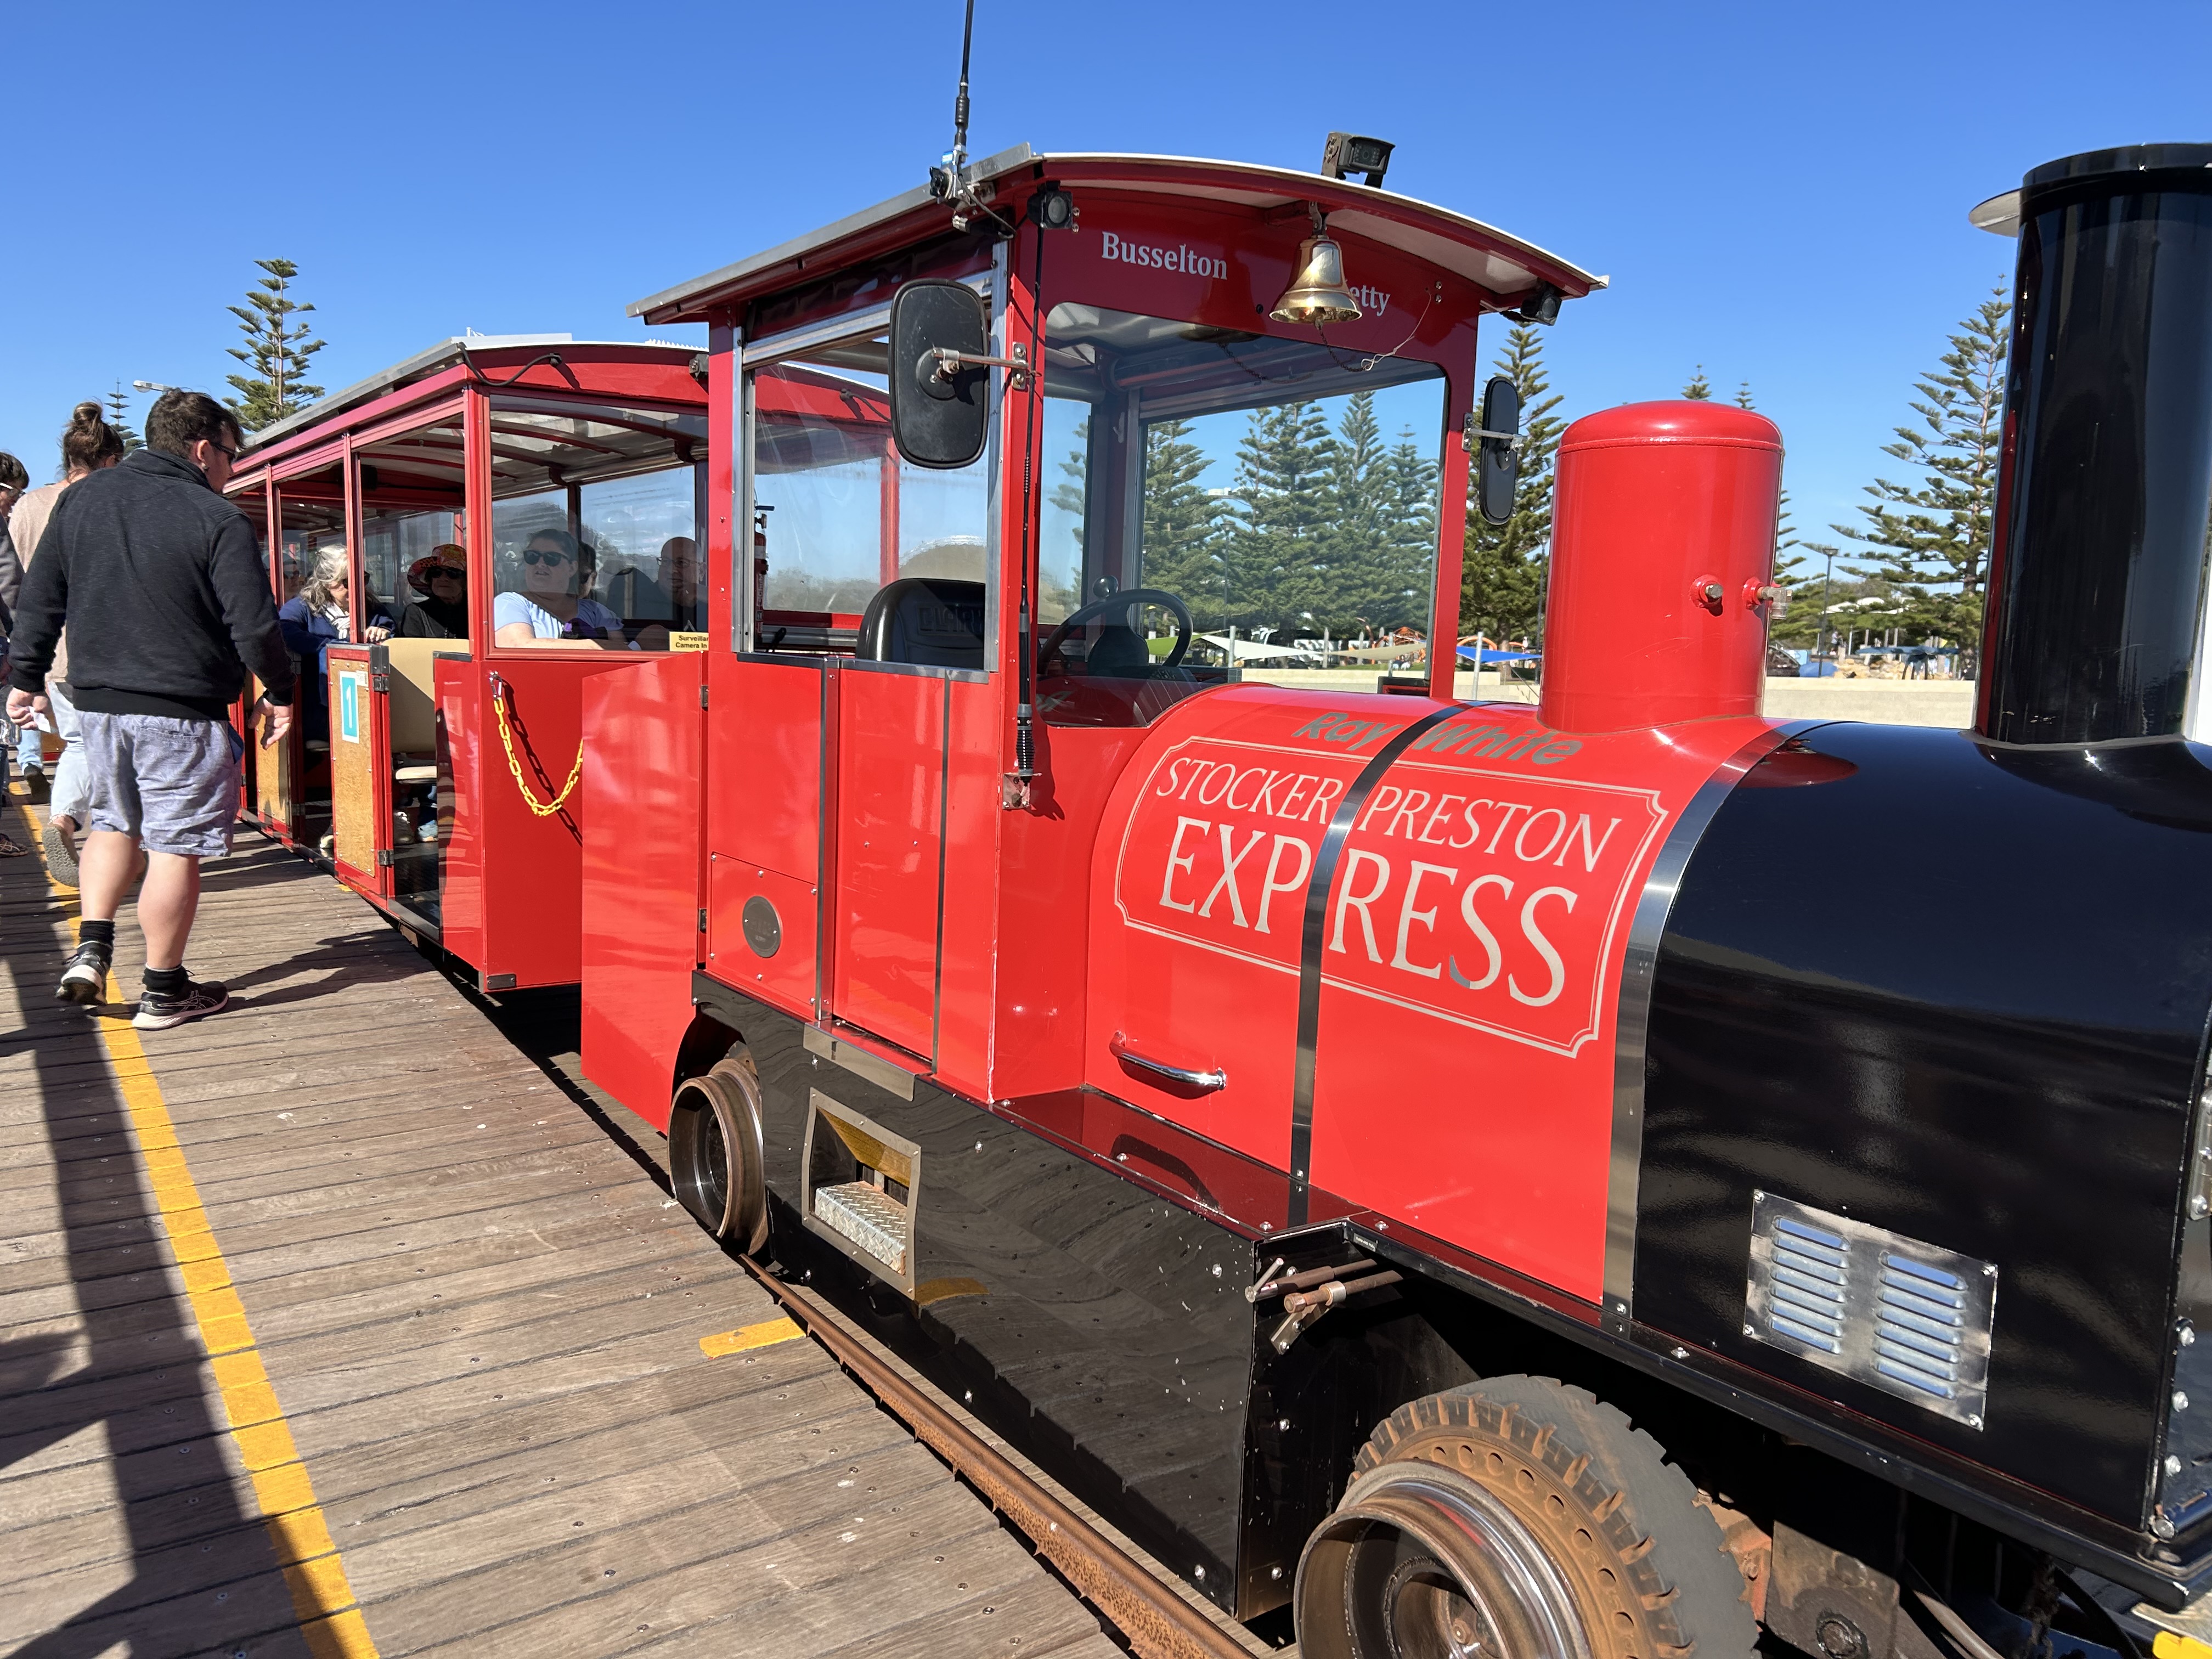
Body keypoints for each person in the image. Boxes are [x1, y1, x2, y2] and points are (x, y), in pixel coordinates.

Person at [5, 390, 296, 1029]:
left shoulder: (83, 498)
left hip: (98, 704)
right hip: (182, 710)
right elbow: (253, 625)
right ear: (201, 449)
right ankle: (164, 991)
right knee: (173, 847)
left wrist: (24, 678)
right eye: (230, 455)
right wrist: (280, 691)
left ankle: (91, 950)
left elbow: (40, 598)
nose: (231, 469)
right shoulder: (214, 517)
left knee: (111, 824)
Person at [8, 404, 128, 881]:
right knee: (120, 748)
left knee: (78, 743)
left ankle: (62, 820)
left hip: (52, 649)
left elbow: (15, 585)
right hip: (114, 645)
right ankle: (113, 846)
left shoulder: (29, 507)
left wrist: (25, 661)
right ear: (112, 460)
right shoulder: (114, 502)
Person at [279, 544, 392, 743]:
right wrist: (331, 647)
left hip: (371, 708)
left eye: (362, 580)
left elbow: (392, 636)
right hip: (318, 710)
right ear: (327, 582)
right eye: (348, 581)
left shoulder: (374, 609)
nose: (357, 587)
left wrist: (384, 633)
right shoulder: (303, 608)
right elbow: (284, 630)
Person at [492, 528, 633, 648]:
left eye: (552, 558)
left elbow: (620, 651)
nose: (540, 563)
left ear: (572, 568)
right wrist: (593, 645)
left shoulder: (595, 611)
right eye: (532, 556)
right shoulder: (510, 603)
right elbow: (518, 646)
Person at [398, 545, 468, 638]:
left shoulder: (480, 612)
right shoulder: (416, 612)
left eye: (453, 573)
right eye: (436, 572)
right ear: (430, 579)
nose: (443, 579)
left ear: (465, 580)